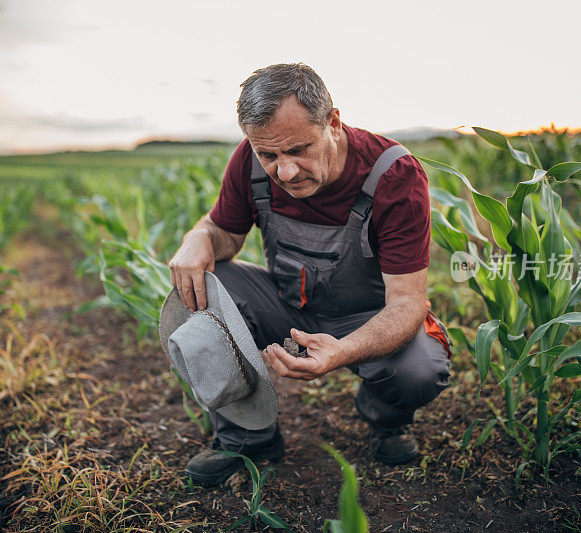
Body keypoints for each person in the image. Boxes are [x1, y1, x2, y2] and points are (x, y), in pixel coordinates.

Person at [168, 63, 452, 486]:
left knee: (421, 368)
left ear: (333, 123)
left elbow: (408, 304)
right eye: (269, 156)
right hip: (286, 305)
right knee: (204, 288)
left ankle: (386, 420)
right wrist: (200, 235)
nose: (285, 172)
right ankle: (248, 436)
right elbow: (224, 235)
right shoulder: (249, 159)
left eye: (298, 149)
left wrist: (342, 351)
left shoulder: (393, 176)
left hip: (366, 318)